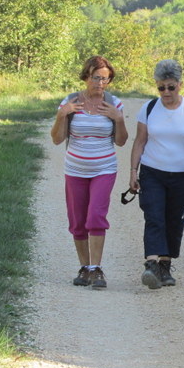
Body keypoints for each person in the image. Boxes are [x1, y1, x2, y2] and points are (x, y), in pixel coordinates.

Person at [129, 60, 184, 289]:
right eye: (161, 87)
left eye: (170, 87)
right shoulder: (149, 108)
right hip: (152, 172)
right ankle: (151, 263)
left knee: (175, 220)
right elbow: (140, 141)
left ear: (180, 85)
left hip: (183, 175)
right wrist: (133, 171)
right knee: (154, 215)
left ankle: (165, 265)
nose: (166, 92)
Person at [51, 55, 128, 289]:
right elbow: (57, 139)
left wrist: (119, 119)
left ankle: (96, 269)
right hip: (75, 169)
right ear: (86, 77)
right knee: (77, 221)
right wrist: (61, 114)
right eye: (96, 78)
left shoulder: (113, 104)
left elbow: (122, 142)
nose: (101, 83)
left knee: (95, 216)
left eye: (106, 79)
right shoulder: (71, 102)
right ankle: (84, 267)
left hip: (104, 168)